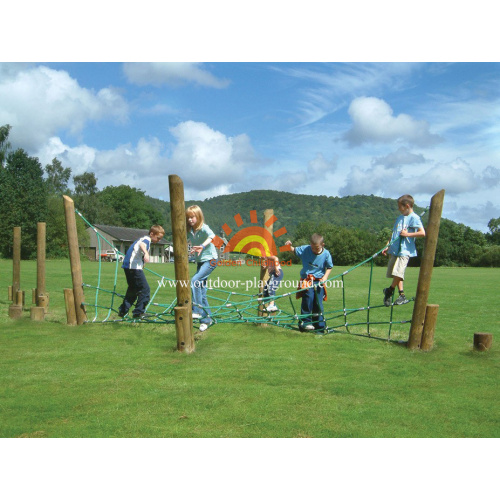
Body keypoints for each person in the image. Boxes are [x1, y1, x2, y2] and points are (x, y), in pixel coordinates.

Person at [382, 194, 426, 307]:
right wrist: (387, 245)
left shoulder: (414, 217)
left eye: (399, 207)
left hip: (405, 250)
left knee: (399, 272)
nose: (398, 209)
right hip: (395, 249)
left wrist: (407, 234)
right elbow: (394, 234)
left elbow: (422, 233)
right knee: (396, 273)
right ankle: (401, 295)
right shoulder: (399, 218)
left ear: (406, 206)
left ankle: (390, 290)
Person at [285, 234, 333, 331]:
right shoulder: (305, 249)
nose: (314, 250)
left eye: (317, 248)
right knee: (307, 300)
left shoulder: (326, 254)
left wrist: (325, 277)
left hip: (318, 281)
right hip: (307, 280)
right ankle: (305, 323)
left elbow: (329, 267)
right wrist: (288, 246)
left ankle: (319, 327)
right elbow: (293, 250)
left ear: (322, 245)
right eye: (312, 247)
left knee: (318, 304)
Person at [118, 225, 165, 319]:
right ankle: (138, 312)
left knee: (133, 290)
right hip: (134, 267)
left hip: (129, 266)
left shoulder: (144, 239)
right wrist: (146, 253)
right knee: (145, 289)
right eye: (158, 238)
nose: (159, 240)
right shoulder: (147, 239)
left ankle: (123, 311)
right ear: (152, 234)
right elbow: (142, 245)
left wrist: (142, 263)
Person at [186, 205, 218, 332]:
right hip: (200, 262)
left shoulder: (204, 227)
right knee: (202, 292)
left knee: (195, 281)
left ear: (198, 217)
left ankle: (198, 310)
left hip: (210, 260)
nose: (190, 220)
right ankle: (206, 320)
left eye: (192, 217)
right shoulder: (190, 231)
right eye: (188, 218)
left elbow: (212, 236)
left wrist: (201, 246)